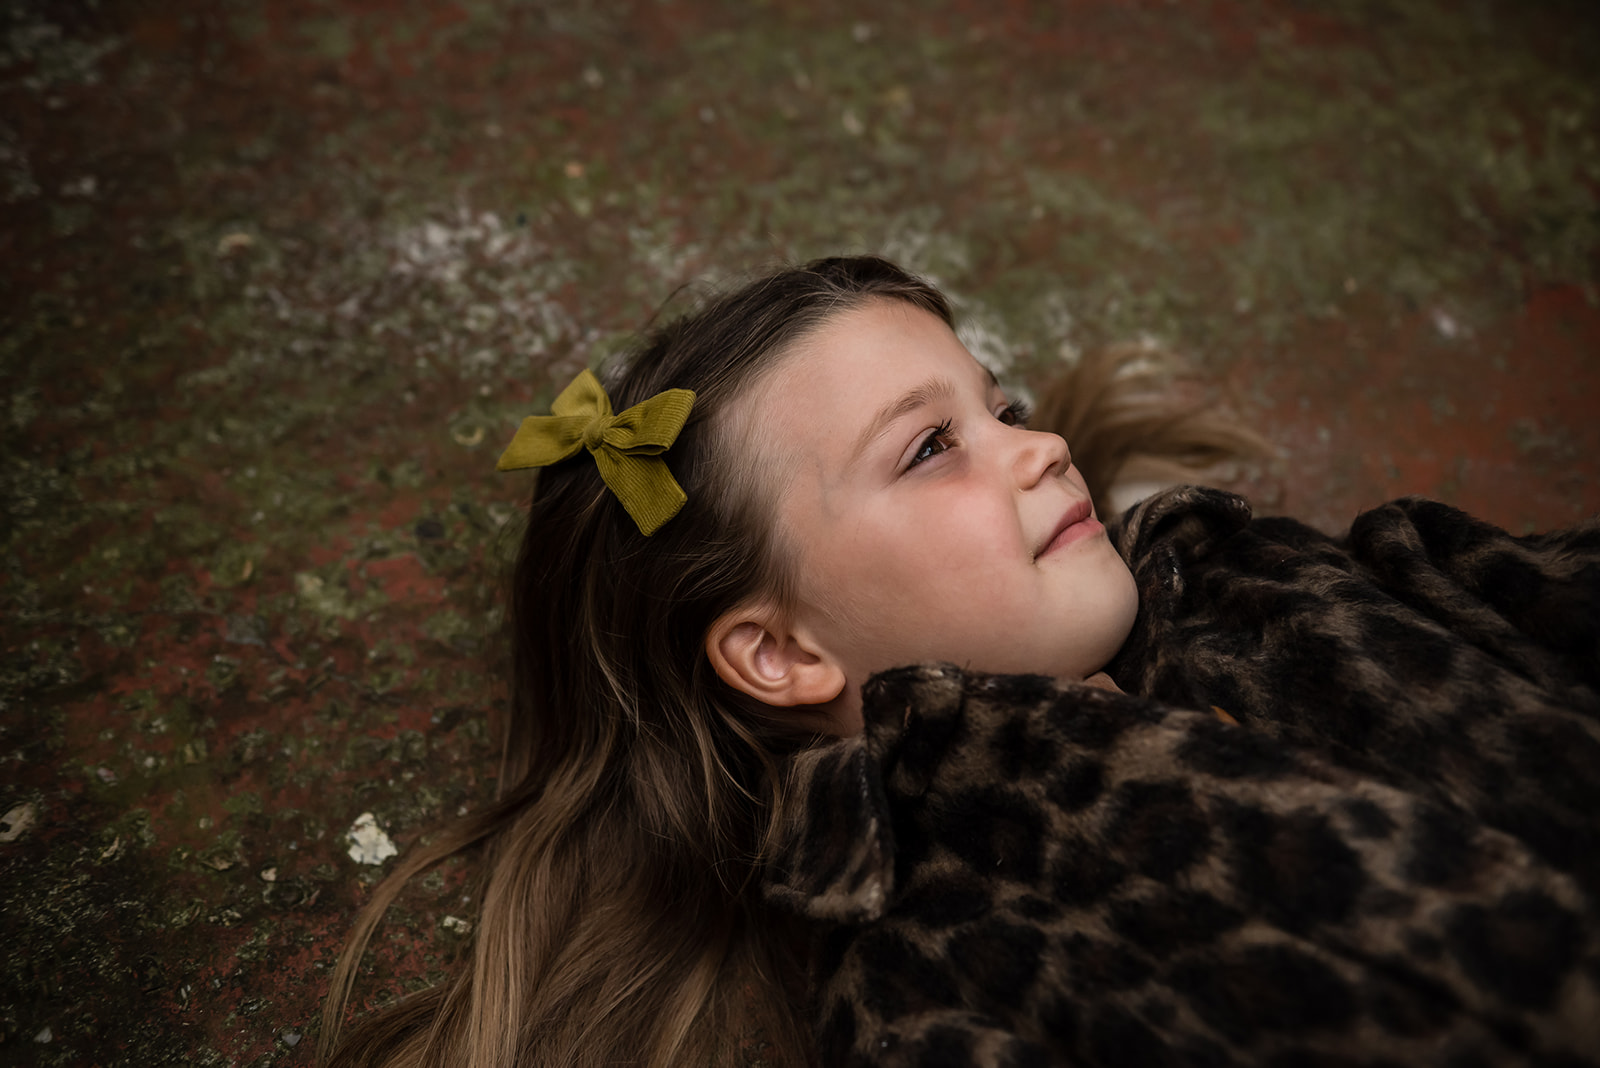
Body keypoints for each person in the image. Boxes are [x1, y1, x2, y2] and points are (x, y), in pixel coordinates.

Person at [320, 257, 1600, 1067]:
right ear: (778, 651)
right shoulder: (929, 977)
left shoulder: (1262, 583)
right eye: (931, 448)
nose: (1038, 448)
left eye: (1003, 407)